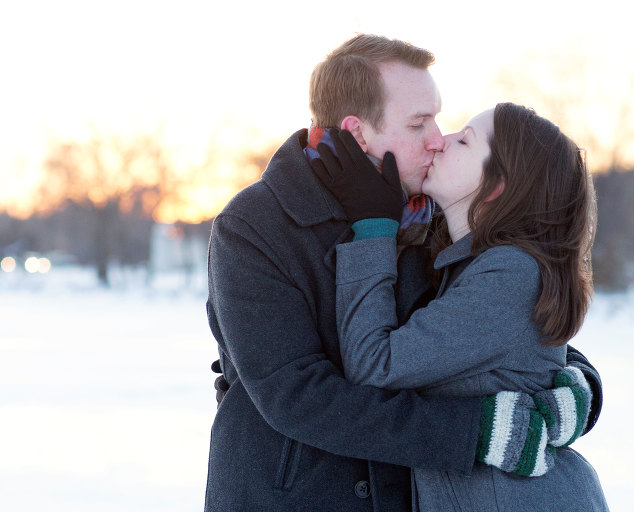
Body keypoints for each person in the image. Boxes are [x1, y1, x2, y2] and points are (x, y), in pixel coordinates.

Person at [205, 34, 604, 512]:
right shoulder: (255, 226)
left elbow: (490, 329)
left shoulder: (432, 212)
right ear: (358, 134)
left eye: (437, 118)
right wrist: (478, 431)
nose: (438, 138)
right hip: (295, 496)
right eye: (419, 123)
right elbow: (298, 395)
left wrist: (578, 385)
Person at [311, 104, 608, 510]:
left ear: (498, 184)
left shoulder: (510, 273)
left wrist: (372, 229)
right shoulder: (472, 264)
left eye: (464, 140)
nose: (440, 140)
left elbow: (375, 366)